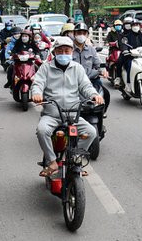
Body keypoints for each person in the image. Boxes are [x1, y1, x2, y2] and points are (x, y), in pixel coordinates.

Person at [31, 37, 105, 176]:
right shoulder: (46, 67)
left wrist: (94, 95)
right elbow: (38, 83)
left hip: (73, 115)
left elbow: (85, 86)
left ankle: (73, 159)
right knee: (42, 130)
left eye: (67, 51)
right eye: (60, 51)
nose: (63, 54)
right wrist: (36, 94)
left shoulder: (77, 68)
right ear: (54, 52)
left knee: (91, 132)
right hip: (52, 114)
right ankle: (52, 161)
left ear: (71, 52)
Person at [72, 21, 110, 108]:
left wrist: (103, 71)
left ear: (87, 35)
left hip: (91, 80)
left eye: (83, 33)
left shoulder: (91, 49)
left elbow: (98, 63)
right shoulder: (69, 49)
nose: (81, 35)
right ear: (74, 34)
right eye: (79, 33)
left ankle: (101, 113)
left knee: (105, 94)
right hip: (73, 81)